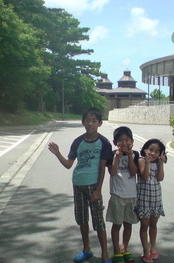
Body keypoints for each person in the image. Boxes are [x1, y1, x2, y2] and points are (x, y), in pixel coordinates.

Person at [48, 107, 112, 263]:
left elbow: (102, 168)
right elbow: (69, 164)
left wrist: (98, 190)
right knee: (82, 219)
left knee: (98, 221)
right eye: (87, 120)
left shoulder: (104, 143)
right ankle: (86, 249)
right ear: (83, 122)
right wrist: (58, 154)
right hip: (78, 185)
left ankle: (105, 255)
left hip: (93, 186)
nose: (90, 123)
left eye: (94, 121)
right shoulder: (78, 142)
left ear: (100, 123)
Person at [106, 127, 139, 263]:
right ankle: (116, 251)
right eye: (120, 140)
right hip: (117, 195)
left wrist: (130, 157)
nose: (124, 143)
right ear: (115, 142)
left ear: (132, 141)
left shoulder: (135, 154)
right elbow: (112, 172)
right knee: (117, 225)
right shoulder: (111, 154)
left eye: (127, 140)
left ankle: (124, 248)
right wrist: (116, 157)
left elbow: (133, 172)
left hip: (131, 195)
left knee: (128, 224)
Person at [136, 139, 167, 263]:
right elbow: (145, 176)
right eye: (151, 150)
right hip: (143, 199)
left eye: (157, 151)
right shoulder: (141, 160)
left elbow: (160, 178)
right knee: (144, 226)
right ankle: (145, 251)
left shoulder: (158, 163)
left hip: (155, 198)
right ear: (145, 150)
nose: (153, 153)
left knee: (153, 225)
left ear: (160, 154)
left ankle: (153, 248)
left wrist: (161, 164)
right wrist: (148, 162)